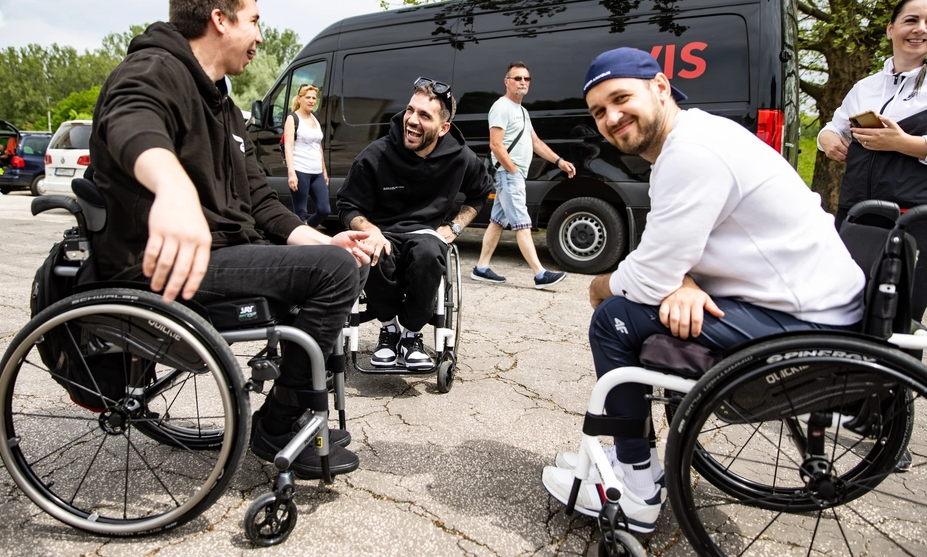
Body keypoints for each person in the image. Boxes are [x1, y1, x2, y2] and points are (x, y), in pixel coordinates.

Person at [541, 47, 865, 533]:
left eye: (620, 98)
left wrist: (601, 283)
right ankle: (637, 458)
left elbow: (648, 275)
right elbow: (671, 251)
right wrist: (683, 279)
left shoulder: (691, 151)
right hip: (803, 299)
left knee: (612, 318)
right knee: (638, 303)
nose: (611, 118)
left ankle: (637, 488)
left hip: (808, 319)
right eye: (598, 111)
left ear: (660, 88)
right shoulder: (694, 138)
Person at [89, 0, 372, 480]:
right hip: (162, 261)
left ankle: (294, 408)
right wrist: (172, 189)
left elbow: (260, 199)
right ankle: (278, 424)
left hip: (221, 251)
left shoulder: (223, 103)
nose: (260, 36)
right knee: (334, 273)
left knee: (342, 259)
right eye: (254, 20)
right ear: (220, 19)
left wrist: (321, 239)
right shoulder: (153, 69)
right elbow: (131, 122)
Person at [337, 77, 493, 369]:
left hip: (426, 233)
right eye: (410, 110)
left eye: (424, 115)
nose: (411, 120)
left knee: (429, 254)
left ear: (443, 128)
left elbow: (481, 193)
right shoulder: (376, 155)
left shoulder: (460, 157)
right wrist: (370, 231)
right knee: (373, 251)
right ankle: (388, 328)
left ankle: (411, 334)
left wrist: (455, 227)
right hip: (382, 230)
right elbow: (347, 205)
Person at [818, 0, 927, 320]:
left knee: (899, 314)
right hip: (857, 213)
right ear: (891, 29)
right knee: (843, 305)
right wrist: (827, 139)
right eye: (911, 20)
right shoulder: (865, 87)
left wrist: (902, 142)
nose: (921, 29)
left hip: (913, 218)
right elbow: (834, 128)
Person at [471, 62, 576, 289]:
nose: (522, 82)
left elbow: (535, 142)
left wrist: (559, 161)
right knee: (522, 223)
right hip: (509, 175)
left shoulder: (522, 111)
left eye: (526, 79)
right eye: (517, 78)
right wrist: (513, 170)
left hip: (512, 175)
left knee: (497, 222)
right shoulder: (501, 107)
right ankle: (540, 274)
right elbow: (495, 144)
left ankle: (481, 268)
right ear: (506, 82)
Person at [284, 84, 330, 227]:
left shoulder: (314, 118)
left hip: (317, 172)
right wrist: (291, 172)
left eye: (314, 98)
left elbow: (318, 145)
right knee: (300, 211)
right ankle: (298, 238)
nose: (311, 101)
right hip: (300, 170)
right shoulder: (292, 118)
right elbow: (288, 147)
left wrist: (324, 170)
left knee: (324, 210)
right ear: (299, 99)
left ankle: (308, 229)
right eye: (308, 97)